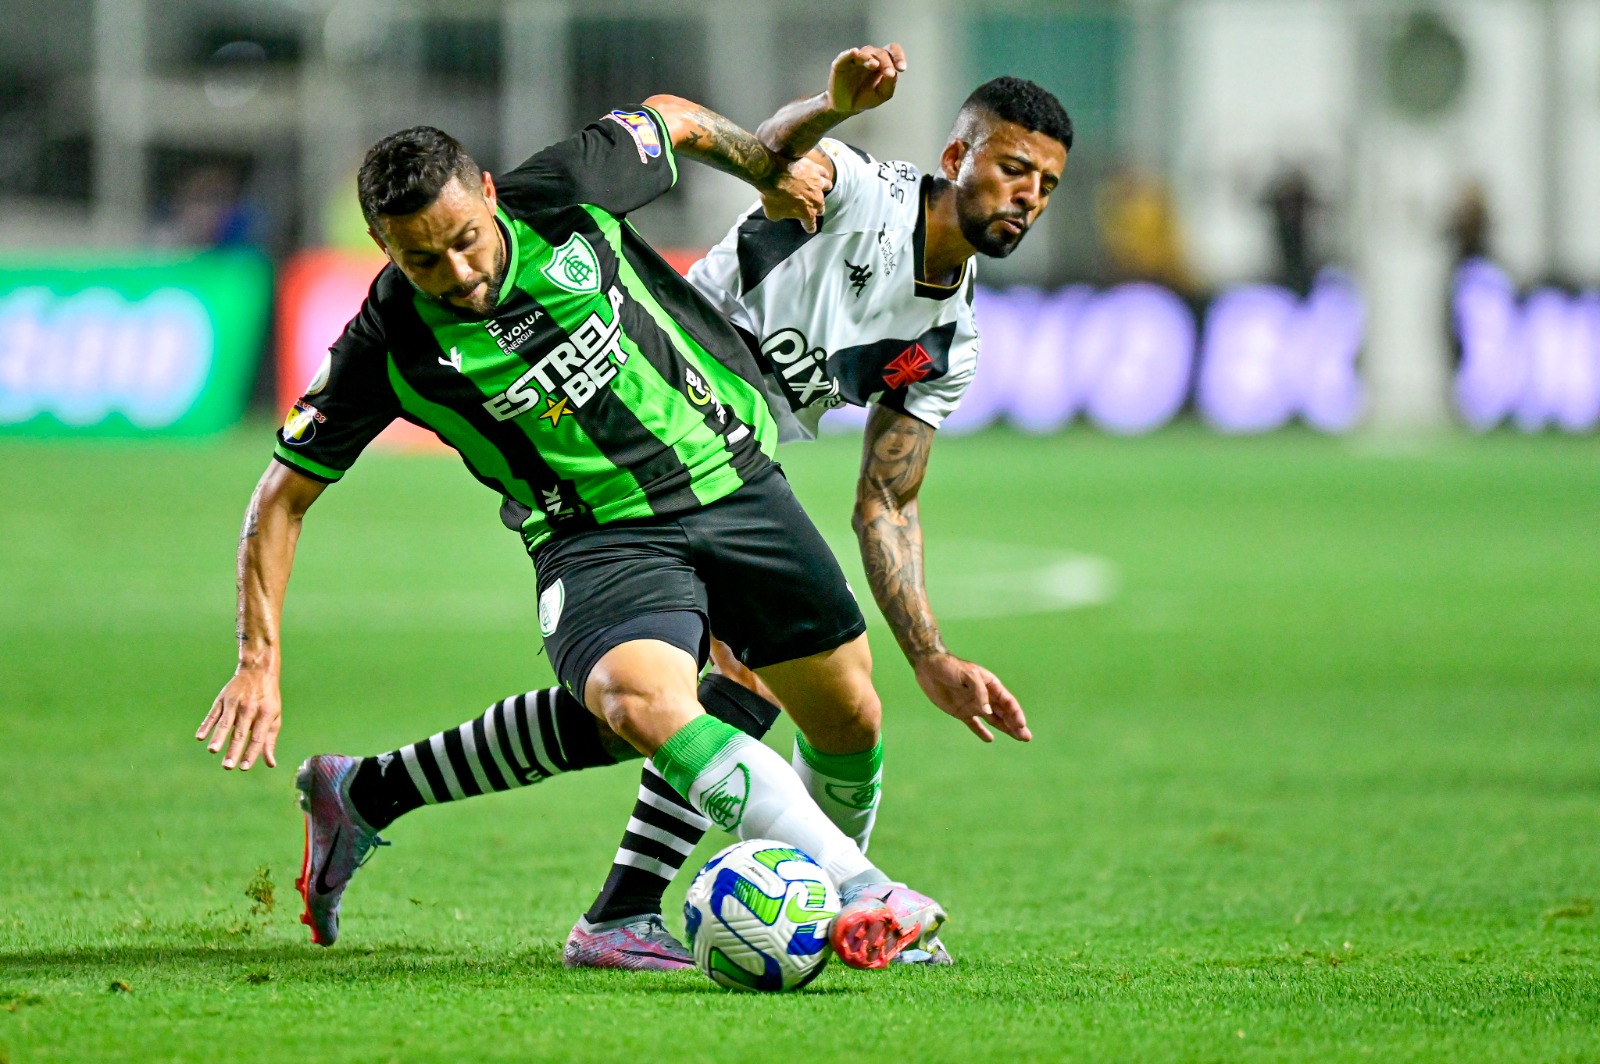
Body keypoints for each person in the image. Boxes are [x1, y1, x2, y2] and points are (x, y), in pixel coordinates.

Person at [294, 49, 1074, 971]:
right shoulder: (872, 195)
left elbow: (888, 500)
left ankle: (373, 793)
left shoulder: (951, 339)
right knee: (724, 686)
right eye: (1012, 167)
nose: (1026, 195)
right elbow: (770, 154)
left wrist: (933, 657)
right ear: (957, 155)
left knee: (694, 709)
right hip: (658, 405)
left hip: (738, 458)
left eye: (1046, 184)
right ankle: (775, 900)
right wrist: (826, 109)